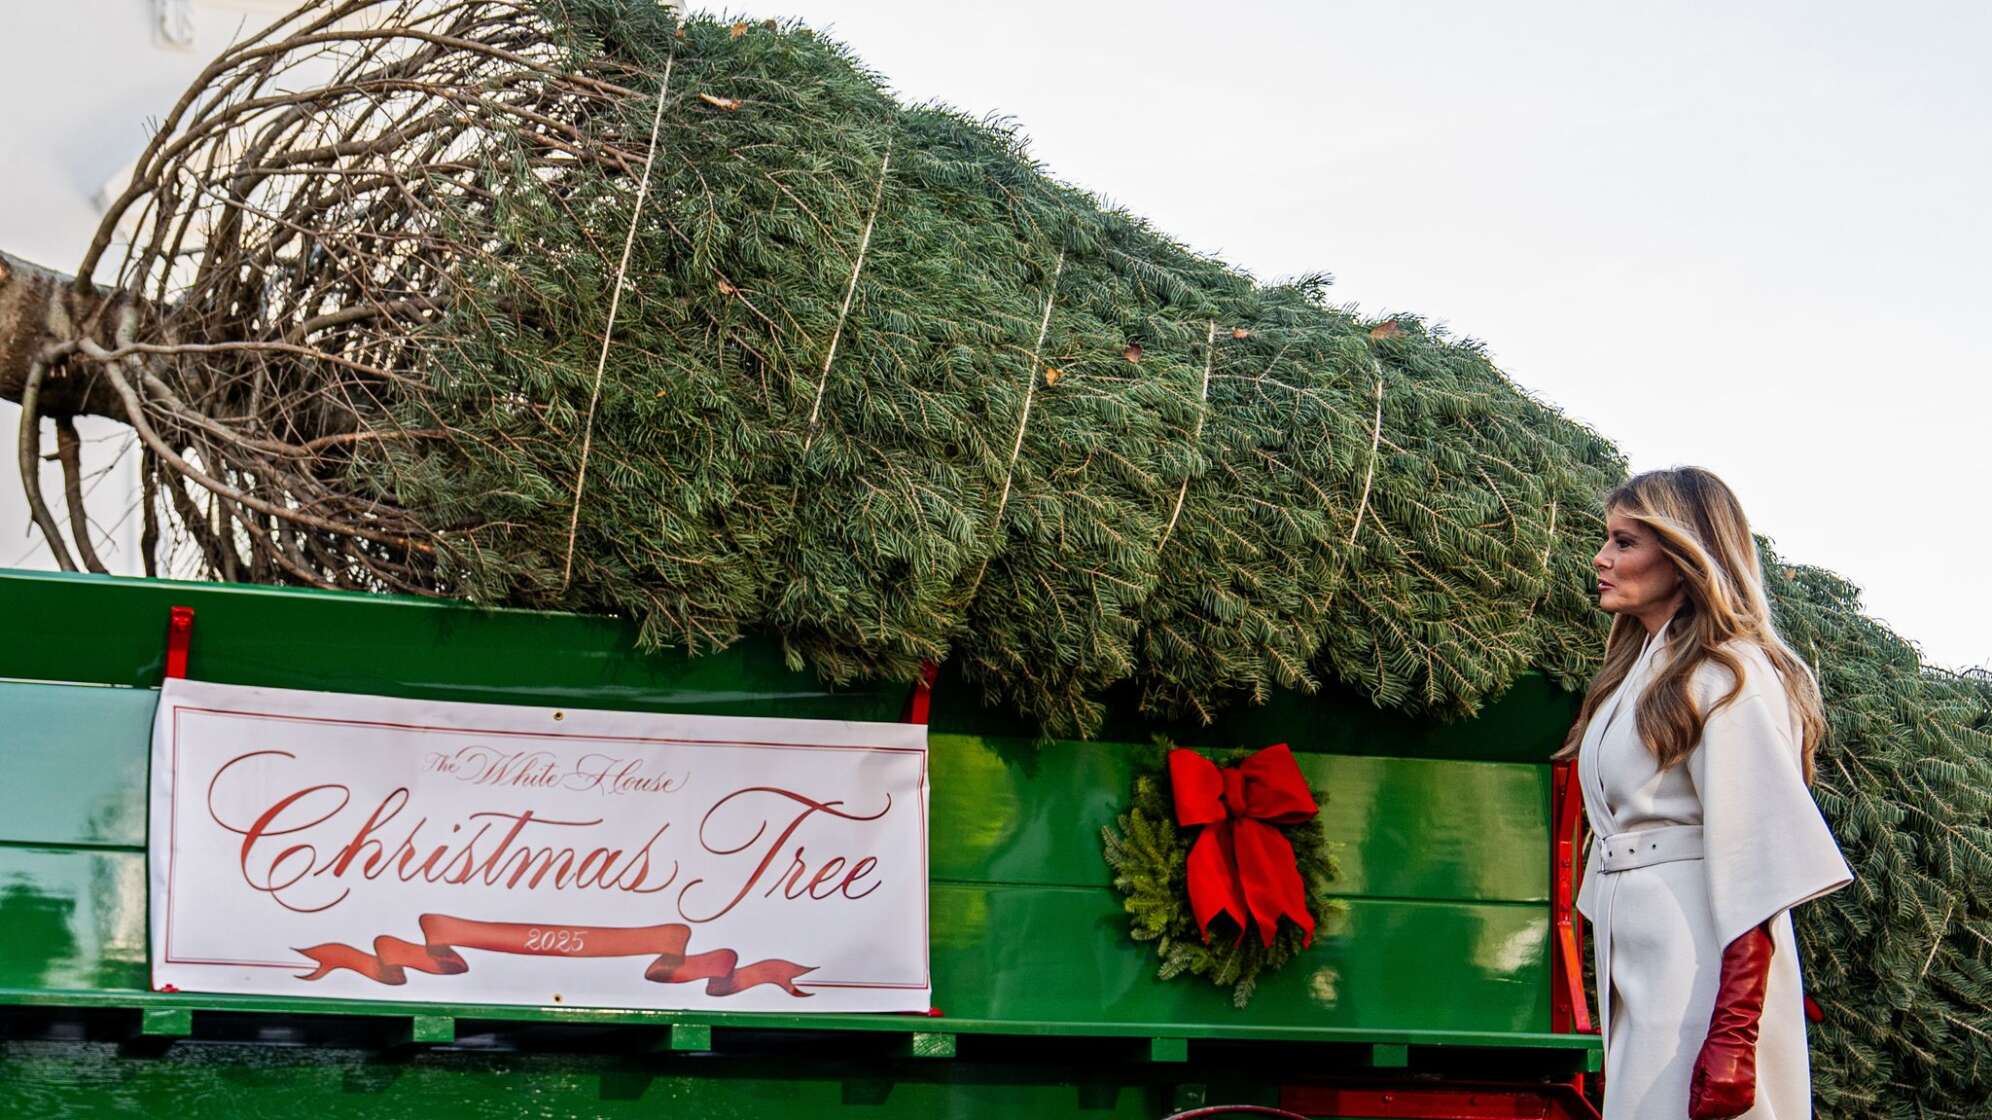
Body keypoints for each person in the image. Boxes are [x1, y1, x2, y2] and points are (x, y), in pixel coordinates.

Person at [1560, 467, 1852, 1120]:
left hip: (1699, 959)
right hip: (1643, 949)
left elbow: (1761, 860)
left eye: (1624, 542)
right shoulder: (1639, 674)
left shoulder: (1729, 672)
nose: (1601, 559)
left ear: (1686, 553)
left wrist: (1735, 1037)